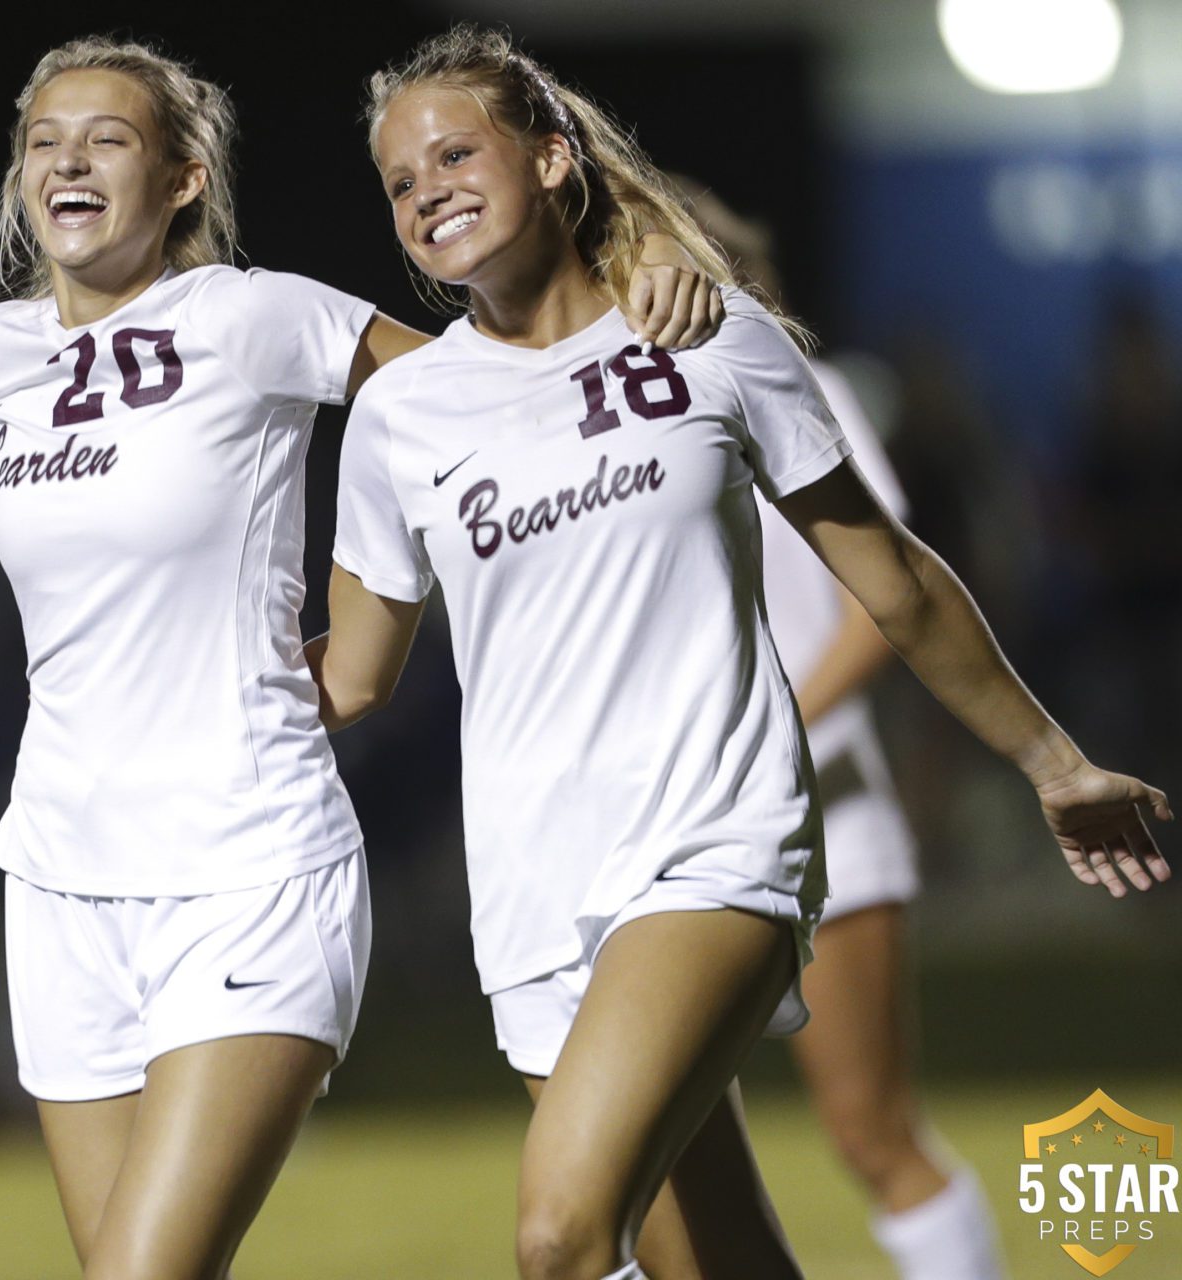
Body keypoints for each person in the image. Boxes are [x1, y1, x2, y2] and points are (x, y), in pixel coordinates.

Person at [0, 36, 722, 1280]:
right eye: (43, 140)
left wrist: (642, 264)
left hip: (246, 858)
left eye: (106, 138)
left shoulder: (254, 316)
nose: (67, 160)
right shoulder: (4, 351)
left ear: (186, 176)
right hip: (58, 882)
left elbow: (490, 379)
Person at [313, 26, 1169, 1280]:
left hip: (713, 842)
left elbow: (895, 578)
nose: (427, 188)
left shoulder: (708, 336)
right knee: (717, 1261)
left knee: (557, 1236)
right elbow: (356, 670)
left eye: (456, 152)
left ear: (552, 159)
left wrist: (1053, 761)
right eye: (400, 180)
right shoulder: (400, 414)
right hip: (535, 884)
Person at [689, 186, 1009, 1280]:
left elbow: (889, 603)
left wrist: (765, 725)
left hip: (829, 815)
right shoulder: (602, 425)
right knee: (657, 1162)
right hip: (669, 834)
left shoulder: (799, 385)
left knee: (873, 1130)